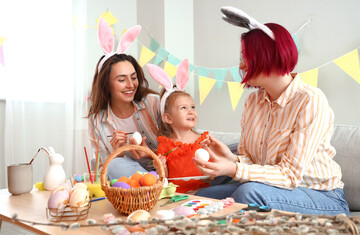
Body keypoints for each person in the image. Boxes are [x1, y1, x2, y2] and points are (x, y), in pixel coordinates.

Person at [193, 6, 350, 216]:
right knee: (198, 198)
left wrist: (234, 169)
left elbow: (289, 176)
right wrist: (232, 159)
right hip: (274, 189)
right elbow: (254, 163)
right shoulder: (254, 102)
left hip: (322, 197)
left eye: (245, 56)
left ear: (265, 56)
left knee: (248, 194)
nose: (240, 64)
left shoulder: (310, 100)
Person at [87, 18, 161, 180]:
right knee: (114, 164)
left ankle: (155, 185)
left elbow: (177, 145)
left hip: (164, 169)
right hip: (132, 175)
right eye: (121, 80)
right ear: (106, 84)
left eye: (133, 77)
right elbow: (104, 169)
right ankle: (152, 186)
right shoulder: (97, 121)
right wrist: (117, 153)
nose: (130, 85)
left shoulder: (153, 103)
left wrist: (147, 155)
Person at [146, 60, 210, 193]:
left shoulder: (204, 141)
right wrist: (161, 169)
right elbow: (165, 179)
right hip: (177, 195)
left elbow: (214, 173)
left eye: (192, 107)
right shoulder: (164, 145)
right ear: (168, 118)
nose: (190, 111)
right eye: (183, 108)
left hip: (203, 193)